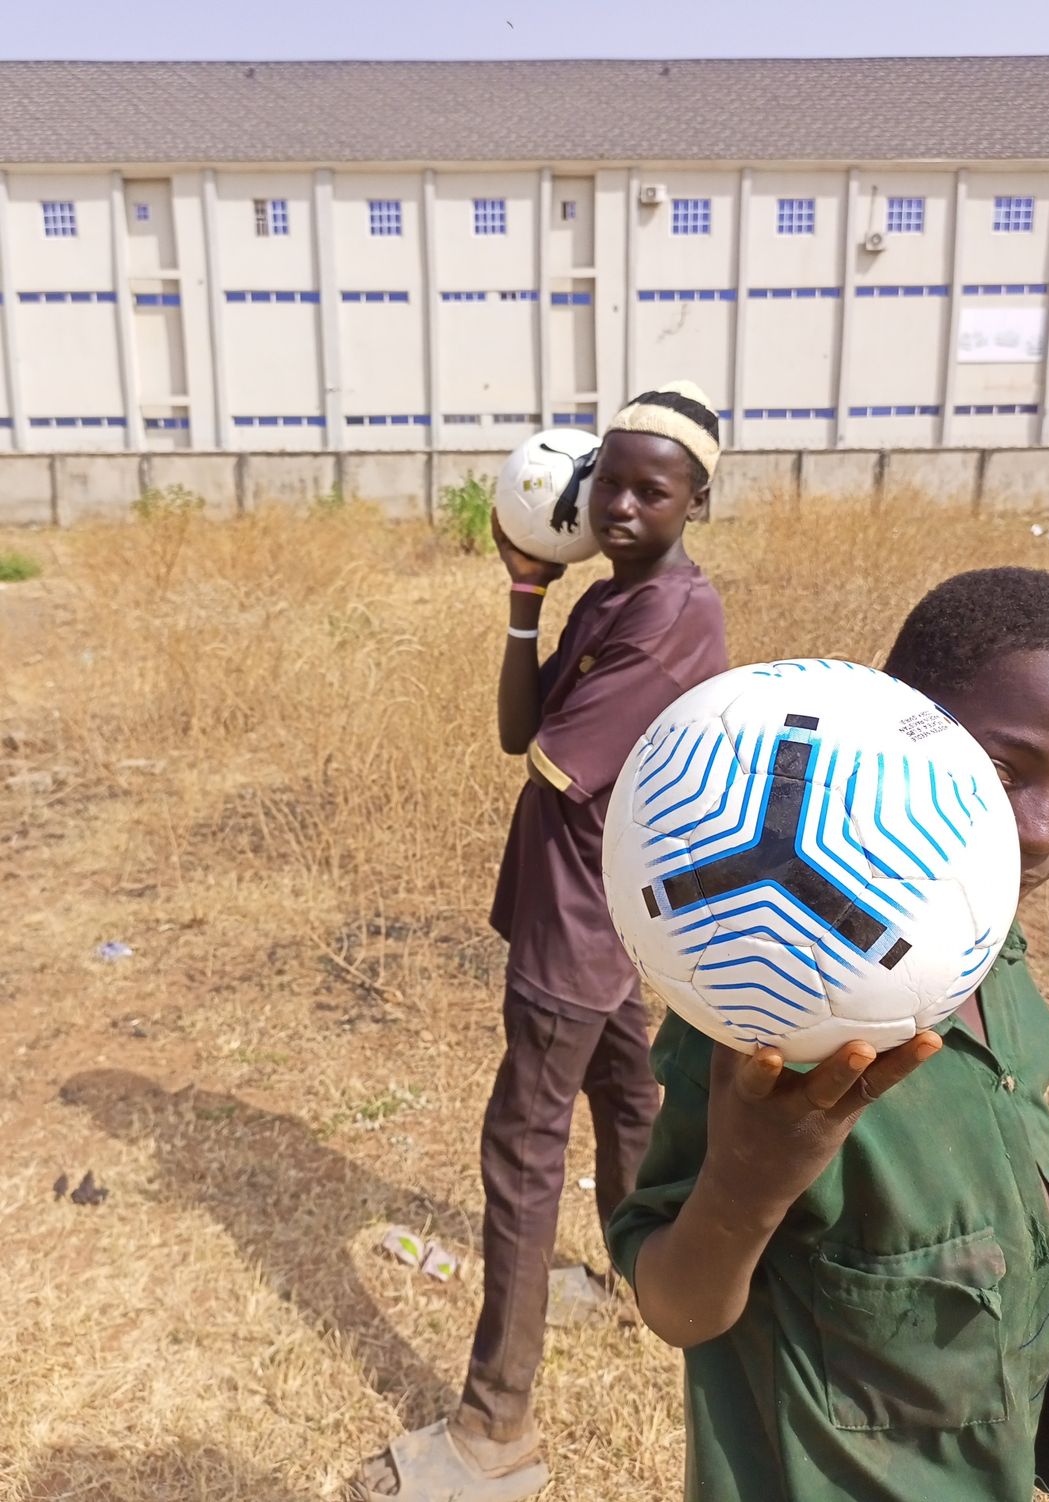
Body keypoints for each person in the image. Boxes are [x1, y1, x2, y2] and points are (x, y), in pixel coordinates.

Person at [607, 564, 1049, 1502]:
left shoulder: (994, 951)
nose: (1039, 834)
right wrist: (748, 1182)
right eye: (1004, 772)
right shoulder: (769, 1018)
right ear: (890, 728)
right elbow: (676, 1307)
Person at [355, 383, 729, 1500]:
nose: (619, 505)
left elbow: (555, 759)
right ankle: (636, 1274)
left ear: (696, 502)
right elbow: (517, 724)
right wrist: (526, 592)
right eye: (607, 480)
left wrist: (558, 659)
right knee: (627, 1096)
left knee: (522, 1148)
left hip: (581, 916)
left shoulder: (674, 616)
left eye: (650, 490)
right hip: (592, 903)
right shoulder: (615, 597)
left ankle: (493, 1429)